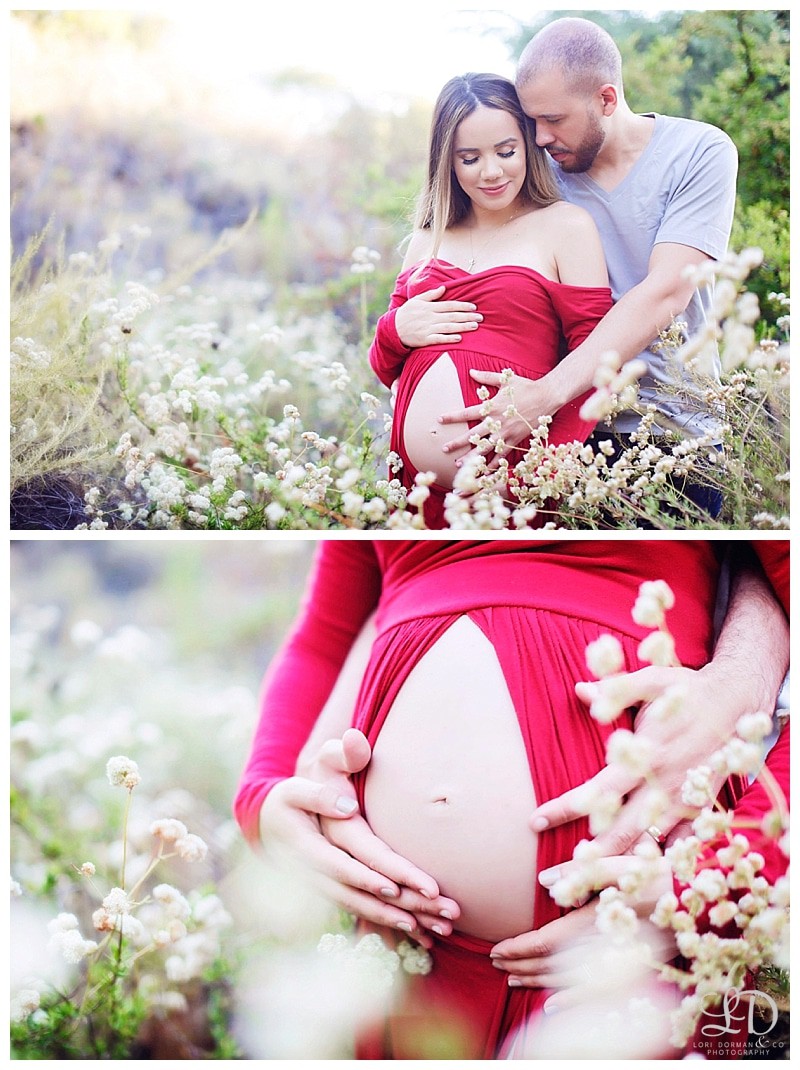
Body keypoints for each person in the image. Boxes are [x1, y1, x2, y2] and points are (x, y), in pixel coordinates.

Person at [234, 539, 788, 1058]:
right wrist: (264, 797)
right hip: (405, 942)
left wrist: (733, 873)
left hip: (629, 931)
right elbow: (324, 635)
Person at [400, 17, 738, 520]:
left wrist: (545, 394)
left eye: (554, 119)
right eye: (531, 121)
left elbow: (668, 291)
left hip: (673, 431)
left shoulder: (698, 152)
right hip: (567, 439)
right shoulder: (541, 173)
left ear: (606, 99)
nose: (539, 137)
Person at [368, 72, 613, 527]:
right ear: (448, 161)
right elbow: (385, 367)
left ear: (528, 144)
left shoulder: (566, 226)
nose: (492, 171)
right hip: (416, 497)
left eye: (506, 151)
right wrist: (395, 329)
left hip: (515, 493)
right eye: (470, 157)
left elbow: (598, 362)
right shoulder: (428, 238)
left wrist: (540, 475)